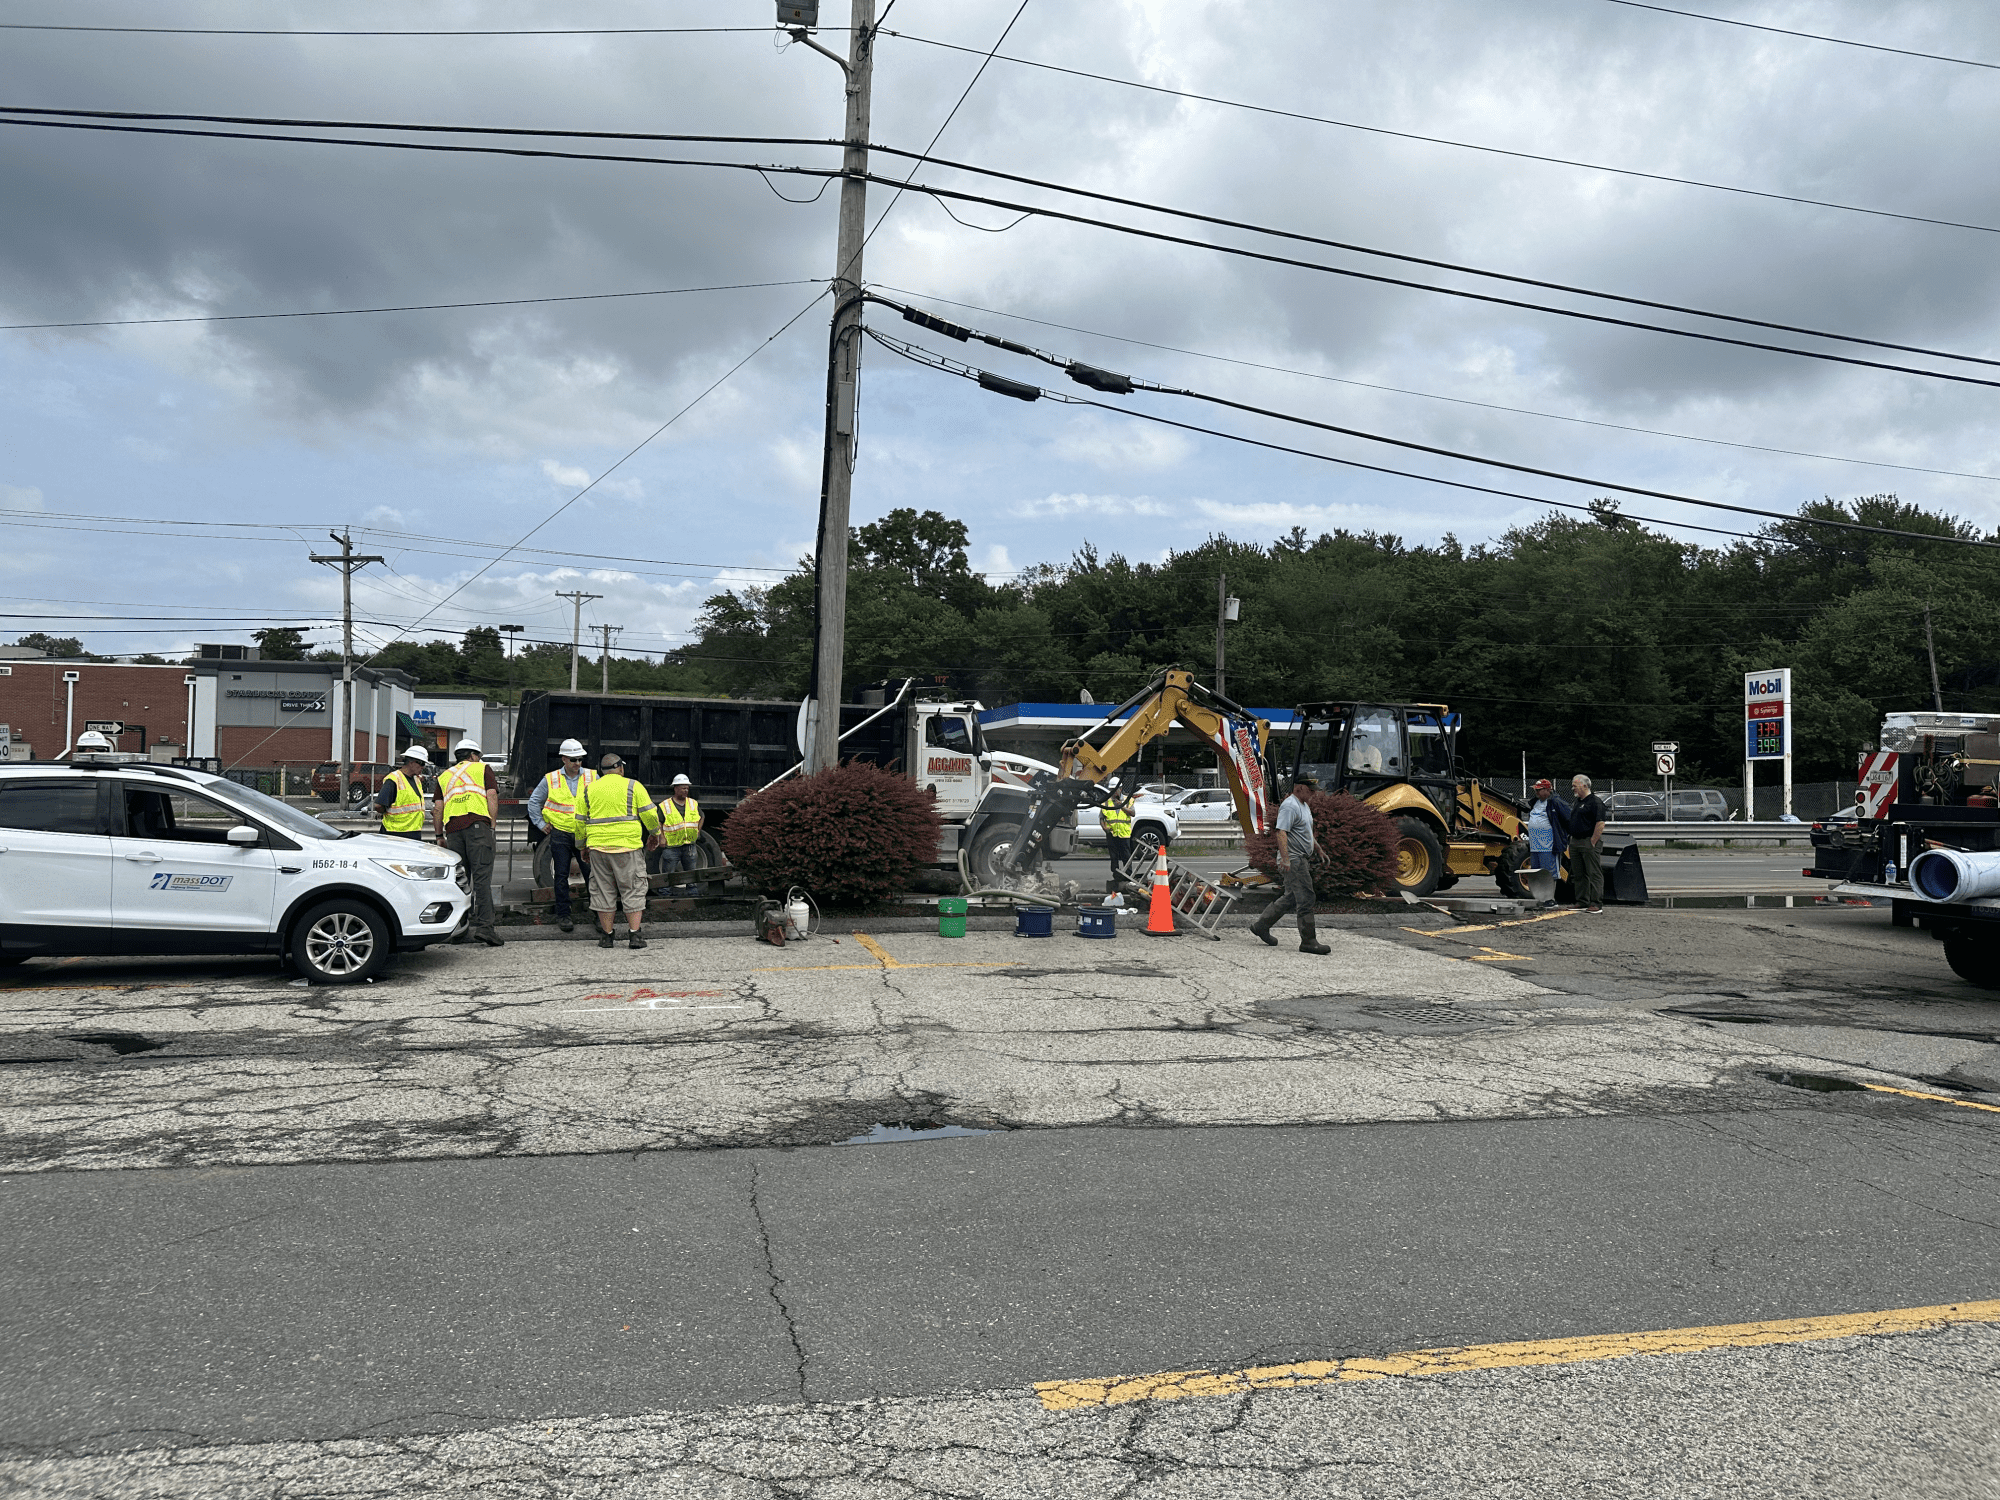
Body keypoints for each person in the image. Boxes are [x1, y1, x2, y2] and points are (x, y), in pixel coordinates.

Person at [576, 752, 662, 950]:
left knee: (603, 890)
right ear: (620, 768)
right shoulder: (633, 786)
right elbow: (650, 814)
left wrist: (582, 846)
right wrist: (655, 834)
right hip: (627, 847)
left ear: (601, 771)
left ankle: (607, 937)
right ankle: (635, 936)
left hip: (598, 848)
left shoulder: (588, 790)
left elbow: (579, 822)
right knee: (633, 888)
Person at [1250, 776, 1331, 955]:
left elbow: (1306, 832)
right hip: (1294, 860)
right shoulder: (1290, 806)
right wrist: (1286, 859)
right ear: (1299, 787)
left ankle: (1261, 925)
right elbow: (1281, 833)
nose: (1313, 793)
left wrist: (1318, 849)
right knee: (1306, 897)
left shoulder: (1303, 805)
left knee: (1291, 897)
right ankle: (1308, 941)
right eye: (1310, 790)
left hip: (1299, 858)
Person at [435, 736, 504, 947]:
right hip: (477, 828)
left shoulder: (444, 776)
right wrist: (492, 826)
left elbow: (437, 809)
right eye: (478, 756)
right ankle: (485, 928)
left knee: (460, 882)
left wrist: (439, 836)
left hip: (453, 831)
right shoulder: (482, 769)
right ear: (473, 755)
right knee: (482, 879)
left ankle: (459, 929)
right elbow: (492, 796)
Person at [527, 739, 595, 932]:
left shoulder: (592, 777)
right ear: (563, 758)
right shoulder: (551, 779)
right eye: (573, 759)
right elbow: (533, 802)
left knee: (592, 875)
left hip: (584, 834)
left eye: (580, 759)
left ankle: (598, 914)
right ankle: (564, 915)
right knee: (561, 876)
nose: (578, 763)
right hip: (560, 833)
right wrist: (541, 824)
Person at [654, 773, 704, 895]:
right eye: (683, 788)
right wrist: (661, 838)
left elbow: (702, 816)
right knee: (668, 874)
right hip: (672, 846)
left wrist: (698, 831)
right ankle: (665, 895)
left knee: (691, 874)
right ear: (675, 788)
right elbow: (659, 822)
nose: (686, 790)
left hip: (690, 845)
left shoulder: (693, 803)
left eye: (687, 788)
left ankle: (693, 895)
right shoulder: (665, 805)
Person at [1569, 773, 1607, 913]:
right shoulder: (1577, 802)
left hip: (1588, 841)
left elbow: (1600, 823)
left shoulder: (1595, 802)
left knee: (1593, 873)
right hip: (1575, 841)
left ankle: (1596, 903)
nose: (1573, 788)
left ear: (1585, 785)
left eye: (1575, 785)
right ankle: (1582, 901)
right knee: (1579, 874)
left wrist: (1593, 841)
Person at [376, 745, 431, 841]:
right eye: (421, 763)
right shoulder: (393, 779)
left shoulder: (416, 780)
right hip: (395, 834)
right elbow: (378, 806)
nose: (423, 767)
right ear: (411, 762)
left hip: (414, 832)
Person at [1523, 778, 1571, 881]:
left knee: (1549, 874)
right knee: (1536, 873)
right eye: (1535, 790)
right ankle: (1539, 891)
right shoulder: (1535, 802)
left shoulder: (1556, 802)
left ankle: (1550, 891)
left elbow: (1568, 818)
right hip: (1535, 846)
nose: (1536, 792)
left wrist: (1564, 836)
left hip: (1548, 847)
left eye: (1539, 790)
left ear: (1548, 790)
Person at [1100, 780, 1136, 875]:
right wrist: (1104, 828)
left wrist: (1121, 806)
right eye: (1111, 790)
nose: (1113, 792)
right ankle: (1116, 874)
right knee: (1114, 856)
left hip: (1124, 833)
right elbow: (1101, 818)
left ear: (1120, 789)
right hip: (1111, 833)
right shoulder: (1106, 802)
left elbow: (1133, 813)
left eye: (1115, 789)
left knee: (1126, 855)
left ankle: (1128, 874)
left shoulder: (1127, 800)